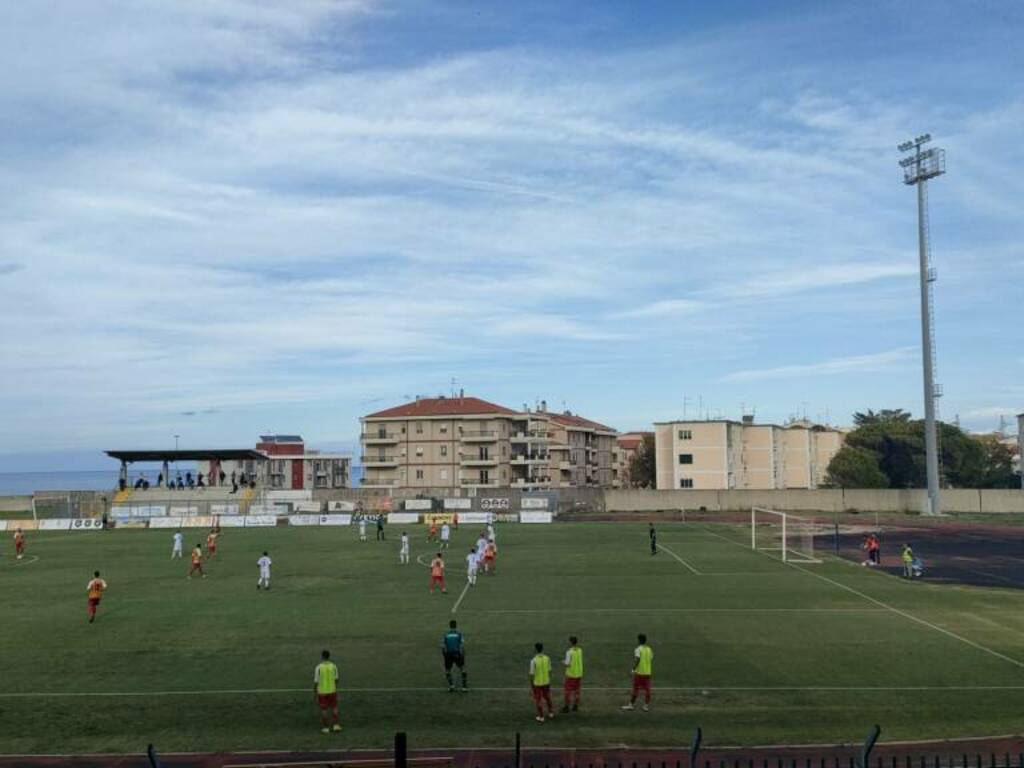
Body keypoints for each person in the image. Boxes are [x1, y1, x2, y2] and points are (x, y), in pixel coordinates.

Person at [622, 634, 654, 711]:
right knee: (648, 690)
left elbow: (637, 659)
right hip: (648, 673)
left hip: (639, 673)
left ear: (639, 640)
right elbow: (651, 658)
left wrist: (633, 669)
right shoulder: (649, 649)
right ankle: (646, 706)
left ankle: (631, 705)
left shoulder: (638, 649)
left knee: (636, 689)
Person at [313, 649, 342, 733]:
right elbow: (337, 679)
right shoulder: (333, 666)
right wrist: (334, 687)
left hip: (322, 692)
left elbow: (316, 682)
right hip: (332, 691)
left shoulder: (318, 667)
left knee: (324, 710)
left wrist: (315, 693)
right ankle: (336, 725)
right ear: (329, 656)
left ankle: (326, 728)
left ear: (322, 656)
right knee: (334, 707)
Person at [529, 642, 555, 723]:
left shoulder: (533, 661)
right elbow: (549, 670)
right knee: (548, 697)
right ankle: (551, 713)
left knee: (538, 700)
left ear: (535, 649)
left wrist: (532, 683)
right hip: (546, 682)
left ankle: (541, 717)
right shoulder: (547, 658)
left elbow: (532, 674)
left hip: (537, 683)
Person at [441, 619, 468, 692]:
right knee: (462, 669)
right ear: (456, 625)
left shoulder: (446, 634)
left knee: (447, 670)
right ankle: (464, 687)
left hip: (449, 654)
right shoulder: (459, 634)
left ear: (449, 626)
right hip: (457, 653)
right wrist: (463, 654)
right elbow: (462, 645)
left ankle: (451, 686)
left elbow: (443, 646)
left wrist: (444, 655)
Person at [561, 636, 584, 713]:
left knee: (568, 691)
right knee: (577, 691)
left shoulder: (569, 652)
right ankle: (575, 706)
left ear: (571, 642)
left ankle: (567, 707)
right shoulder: (580, 650)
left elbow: (567, 664)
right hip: (579, 674)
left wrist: (563, 662)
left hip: (571, 674)